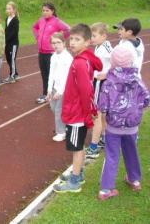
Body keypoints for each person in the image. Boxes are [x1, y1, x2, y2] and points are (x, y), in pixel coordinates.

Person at [53, 24, 102, 193]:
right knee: (77, 146)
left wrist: (89, 113)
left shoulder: (80, 63)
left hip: (77, 115)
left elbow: (86, 90)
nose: (72, 42)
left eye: (77, 39)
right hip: (77, 112)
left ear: (87, 42)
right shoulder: (82, 59)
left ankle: (74, 181)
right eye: (71, 39)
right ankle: (77, 173)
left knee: (77, 148)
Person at [97, 45, 149, 200]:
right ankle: (134, 180)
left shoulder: (108, 82)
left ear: (112, 61)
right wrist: (137, 110)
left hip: (113, 126)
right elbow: (146, 99)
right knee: (131, 152)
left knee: (112, 156)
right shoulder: (137, 81)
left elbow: (102, 106)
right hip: (132, 127)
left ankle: (106, 189)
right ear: (131, 61)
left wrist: (104, 123)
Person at [33, 2, 70, 104]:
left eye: (47, 10)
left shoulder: (56, 21)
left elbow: (67, 29)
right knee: (44, 74)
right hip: (41, 52)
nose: (44, 12)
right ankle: (46, 94)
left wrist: (61, 40)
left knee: (53, 75)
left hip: (51, 53)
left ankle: (57, 95)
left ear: (52, 11)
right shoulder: (41, 21)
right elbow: (34, 27)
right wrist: (37, 37)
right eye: (43, 10)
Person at [85, 23, 113, 159]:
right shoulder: (100, 46)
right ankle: (104, 138)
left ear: (104, 36)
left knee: (96, 114)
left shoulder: (106, 49)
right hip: (99, 82)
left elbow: (117, 62)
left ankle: (94, 147)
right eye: (91, 35)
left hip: (101, 83)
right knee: (102, 114)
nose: (92, 38)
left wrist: (107, 74)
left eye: (94, 36)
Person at [46, 32, 73, 142]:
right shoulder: (53, 56)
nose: (56, 45)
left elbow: (67, 76)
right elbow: (51, 73)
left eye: (58, 42)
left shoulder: (67, 57)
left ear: (64, 43)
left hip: (64, 88)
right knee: (53, 107)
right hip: (54, 87)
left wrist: (60, 91)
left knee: (58, 110)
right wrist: (48, 89)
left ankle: (61, 132)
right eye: (53, 43)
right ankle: (66, 124)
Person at [3, 1, 20, 83]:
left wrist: (5, 40)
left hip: (13, 44)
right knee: (8, 59)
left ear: (14, 10)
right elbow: (6, 30)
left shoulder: (15, 20)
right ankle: (16, 74)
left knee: (12, 59)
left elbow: (14, 33)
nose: (8, 10)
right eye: (7, 9)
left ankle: (12, 76)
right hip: (7, 43)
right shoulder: (7, 19)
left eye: (9, 9)